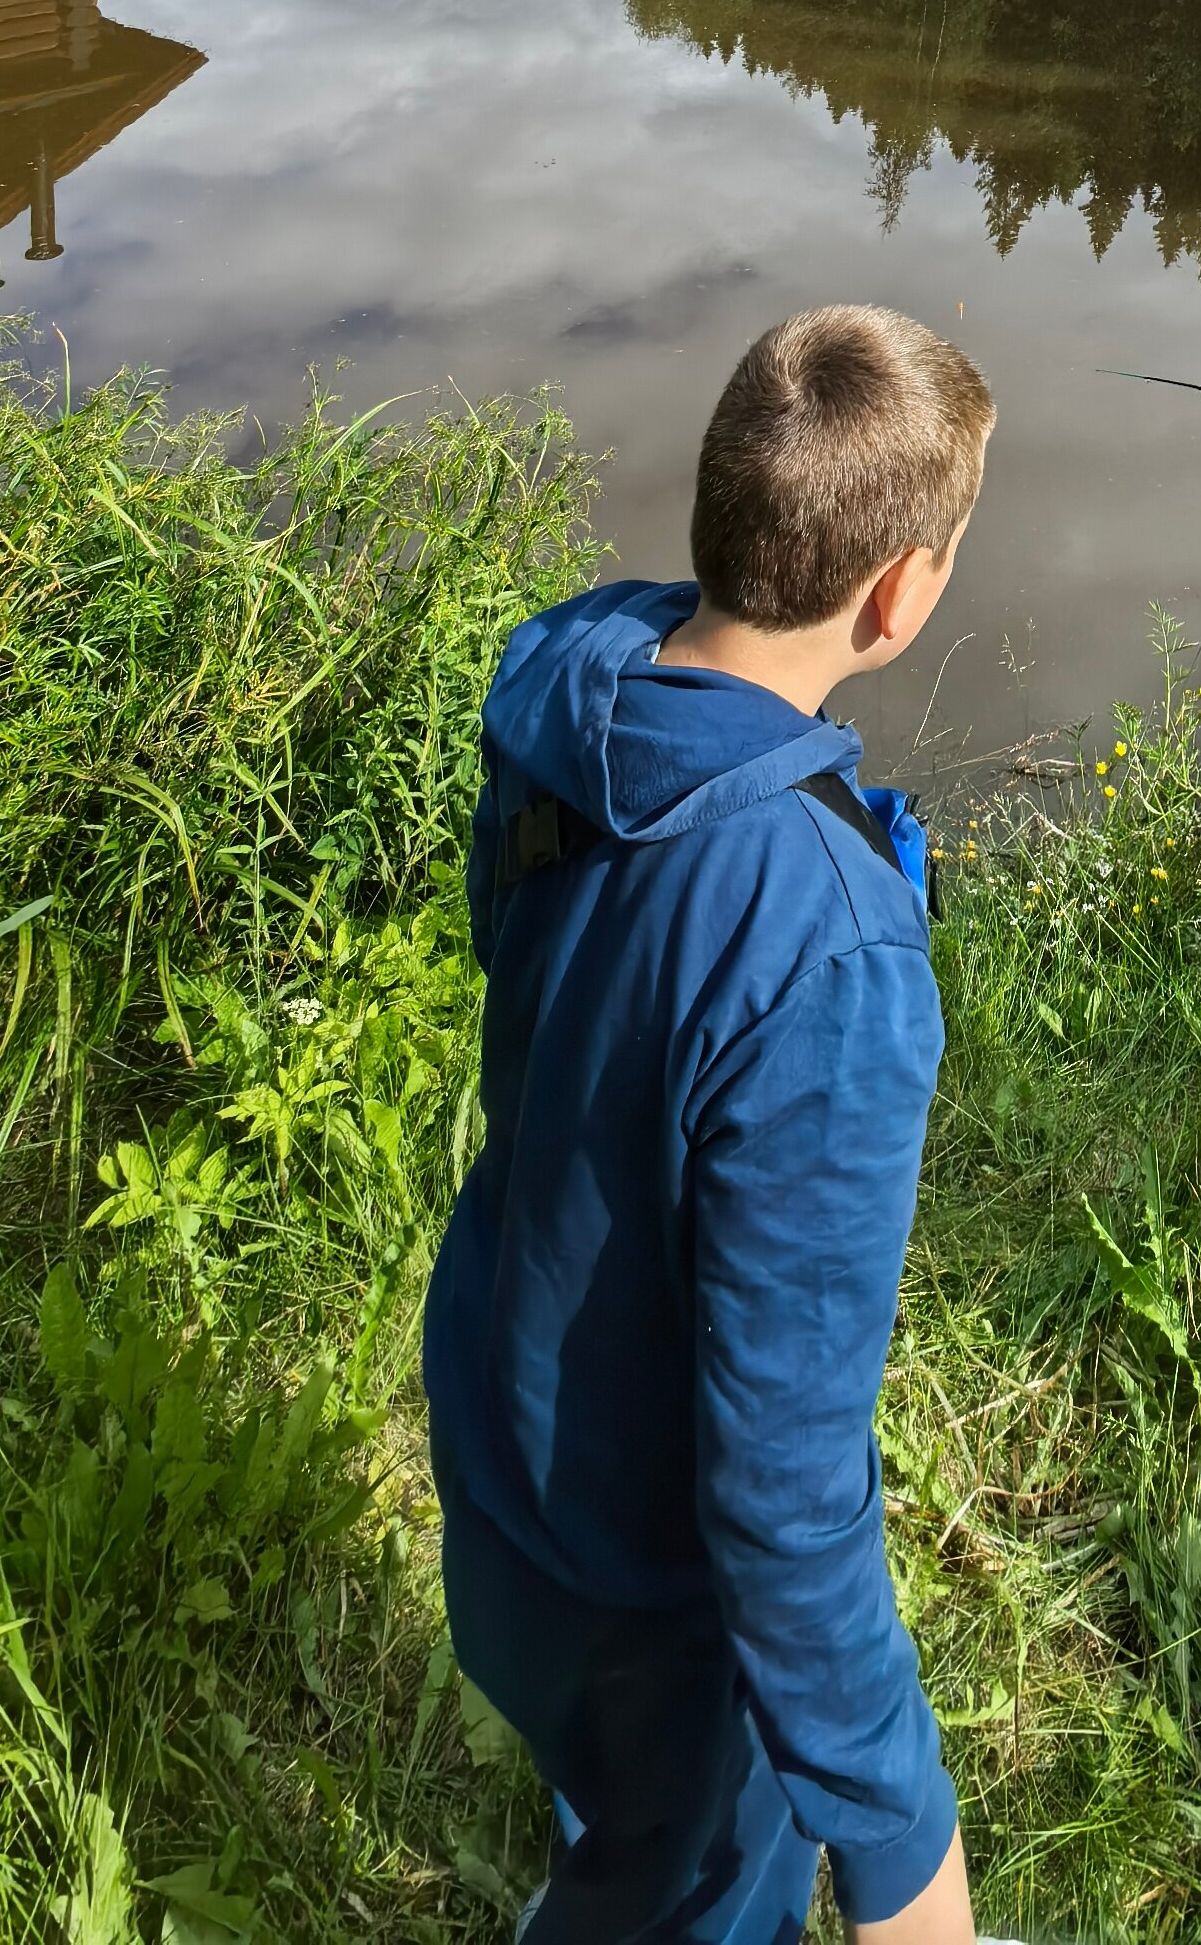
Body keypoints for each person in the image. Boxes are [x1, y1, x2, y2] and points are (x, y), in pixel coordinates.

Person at [423, 305, 996, 1945]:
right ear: (898, 596)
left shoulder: (569, 686)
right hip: (654, 1577)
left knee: (609, 1808)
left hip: (498, 1423)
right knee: (688, 1889)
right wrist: (899, 1847)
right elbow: (783, 1483)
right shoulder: (828, 946)